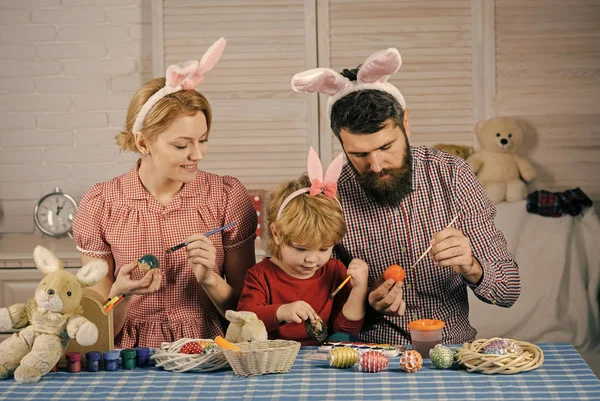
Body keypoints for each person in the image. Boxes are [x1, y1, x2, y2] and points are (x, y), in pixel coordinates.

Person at [290, 48, 520, 345]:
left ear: (406, 123)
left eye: (386, 147)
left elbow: (508, 291)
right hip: (368, 354)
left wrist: (471, 266)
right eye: (359, 154)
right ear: (341, 143)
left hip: (448, 349)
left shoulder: (452, 174)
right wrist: (367, 304)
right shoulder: (328, 193)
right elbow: (315, 313)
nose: (375, 165)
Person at [72, 38, 258, 348]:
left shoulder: (227, 196)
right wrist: (123, 293)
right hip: (132, 358)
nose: (197, 155)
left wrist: (210, 279)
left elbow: (250, 316)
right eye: (182, 145)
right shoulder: (101, 204)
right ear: (143, 142)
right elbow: (95, 333)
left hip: (212, 351)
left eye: (204, 140)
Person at [236, 148, 369, 345]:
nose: (312, 259)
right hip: (276, 359)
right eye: (301, 249)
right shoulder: (260, 276)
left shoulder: (335, 271)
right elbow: (245, 319)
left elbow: (345, 332)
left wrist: (359, 290)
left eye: (324, 249)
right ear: (277, 234)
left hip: (324, 363)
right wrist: (283, 311)